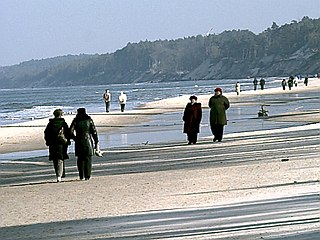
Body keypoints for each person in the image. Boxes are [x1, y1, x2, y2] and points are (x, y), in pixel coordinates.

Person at [70, 108, 99, 180]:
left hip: (79, 141)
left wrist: (75, 138)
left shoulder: (75, 120)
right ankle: (87, 175)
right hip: (88, 140)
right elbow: (94, 132)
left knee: (80, 159)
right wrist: (96, 141)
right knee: (88, 159)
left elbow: (70, 132)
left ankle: (81, 175)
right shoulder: (89, 120)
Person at [44, 109, 70, 182]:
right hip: (61, 143)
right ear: (61, 115)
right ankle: (60, 175)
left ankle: (59, 174)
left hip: (52, 143)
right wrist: (68, 140)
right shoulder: (63, 123)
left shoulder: (50, 123)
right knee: (60, 159)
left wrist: (47, 141)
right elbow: (67, 132)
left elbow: (46, 133)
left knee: (55, 159)